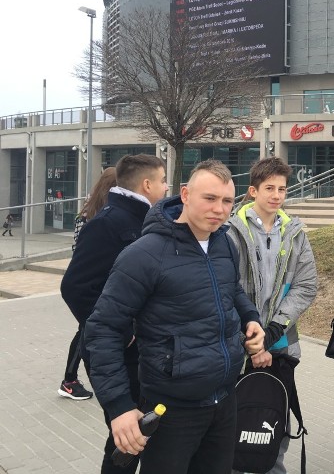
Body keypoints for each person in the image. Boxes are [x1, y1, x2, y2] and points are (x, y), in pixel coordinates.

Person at [85, 159, 266, 474]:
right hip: (171, 409)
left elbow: (232, 290)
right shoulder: (144, 254)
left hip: (224, 400)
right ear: (185, 195)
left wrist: (251, 318)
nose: (219, 209)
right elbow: (102, 330)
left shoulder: (225, 243)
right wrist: (119, 407)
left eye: (227, 201)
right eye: (209, 198)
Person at [61, 156, 167, 474]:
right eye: (163, 181)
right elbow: (75, 288)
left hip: (142, 354)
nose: (166, 188)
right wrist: (123, 333)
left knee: (139, 436)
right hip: (120, 356)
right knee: (129, 439)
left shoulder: (139, 219)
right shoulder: (109, 222)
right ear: (147, 184)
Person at [228, 156, 318, 474]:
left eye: (282, 188)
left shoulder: (295, 233)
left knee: (273, 426)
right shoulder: (230, 232)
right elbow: (226, 291)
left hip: (280, 348)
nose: (276, 195)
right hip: (237, 350)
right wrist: (252, 341)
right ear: (253, 190)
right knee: (236, 430)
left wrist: (274, 330)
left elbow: (307, 286)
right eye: (269, 188)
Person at [59, 166, 117, 403]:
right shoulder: (96, 218)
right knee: (86, 330)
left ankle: (72, 379)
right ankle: (69, 380)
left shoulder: (89, 213)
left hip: (93, 283)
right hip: (92, 286)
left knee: (86, 330)